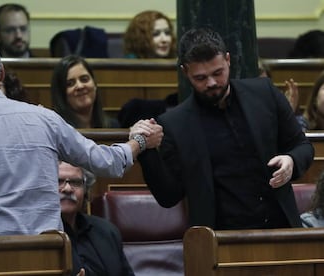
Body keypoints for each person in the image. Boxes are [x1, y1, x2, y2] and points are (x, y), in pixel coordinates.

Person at [0, 36, 162, 237]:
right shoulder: (46, 118)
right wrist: (139, 141)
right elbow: (105, 162)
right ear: (1, 73)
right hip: (51, 258)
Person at [133, 27, 314, 230]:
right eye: (200, 78)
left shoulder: (265, 93)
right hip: (220, 241)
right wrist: (146, 150)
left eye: (218, 73)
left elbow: (303, 146)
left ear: (228, 60)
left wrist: (291, 160)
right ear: (185, 72)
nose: (211, 83)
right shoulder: (175, 124)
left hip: (281, 228)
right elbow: (168, 196)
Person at [59, 161, 134, 276]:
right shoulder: (37, 236)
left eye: (76, 182)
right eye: (59, 182)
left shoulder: (107, 231)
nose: (68, 189)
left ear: (85, 190)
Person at [51, 55, 119, 128]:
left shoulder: (113, 126)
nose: (80, 86)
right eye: (70, 84)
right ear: (61, 94)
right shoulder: (56, 129)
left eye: (84, 79)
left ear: (95, 84)